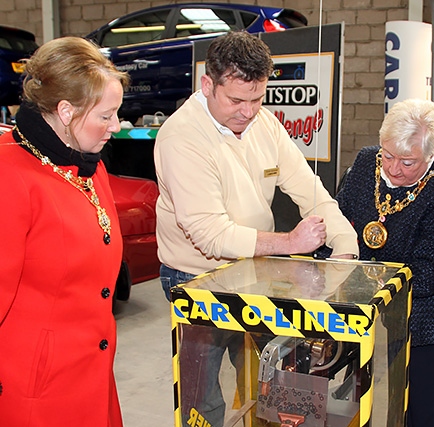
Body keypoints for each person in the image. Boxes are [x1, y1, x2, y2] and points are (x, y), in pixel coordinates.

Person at [154, 30, 358, 426]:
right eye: (236, 100)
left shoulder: (263, 122)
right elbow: (211, 235)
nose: (248, 112)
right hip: (198, 279)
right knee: (203, 399)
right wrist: (291, 242)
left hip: (254, 270)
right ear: (207, 84)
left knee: (286, 380)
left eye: (257, 99)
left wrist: (345, 247)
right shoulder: (181, 138)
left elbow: (310, 191)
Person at [0, 37, 130, 426]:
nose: (117, 126)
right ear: (65, 110)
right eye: (105, 116)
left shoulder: (88, 165)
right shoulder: (10, 176)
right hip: (37, 391)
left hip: (94, 373)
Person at [335, 98, 434, 426]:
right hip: (378, 308)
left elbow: (430, 274)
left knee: (428, 409)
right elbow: (341, 219)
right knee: (378, 402)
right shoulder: (366, 161)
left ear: (429, 155)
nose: (394, 168)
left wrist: (361, 282)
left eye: (408, 162)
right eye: (388, 155)